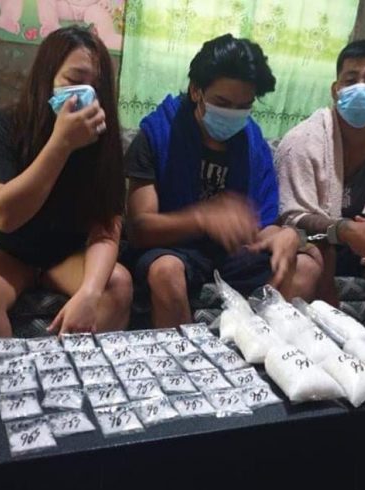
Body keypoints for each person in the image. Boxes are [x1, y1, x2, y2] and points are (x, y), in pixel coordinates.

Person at [0, 26, 132, 342]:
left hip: (62, 255)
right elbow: (3, 217)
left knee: (117, 283)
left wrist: (89, 292)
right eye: (74, 81)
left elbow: (106, 226)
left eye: (96, 86)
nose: (86, 93)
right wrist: (61, 145)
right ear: (46, 79)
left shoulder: (104, 141)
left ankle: (76, 383)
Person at [125, 34, 322, 328]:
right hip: (173, 247)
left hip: (231, 252)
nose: (233, 114)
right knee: (165, 271)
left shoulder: (253, 143)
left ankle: (267, 355)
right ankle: (185, 364)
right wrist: (204, 218)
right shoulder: (156, 134)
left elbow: (262, 224)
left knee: (306, 264)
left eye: (243, 106)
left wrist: (285, 235)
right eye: (222, 102)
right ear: (196, 91)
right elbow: (139, 229)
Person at [276, 39, 365, 313]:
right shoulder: (302, 140)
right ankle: (320, 342)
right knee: (323, 252)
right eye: (351, 79)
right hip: (316, 242)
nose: (360, 88)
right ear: (336, 90)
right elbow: (293, 216)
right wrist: (346, 231)